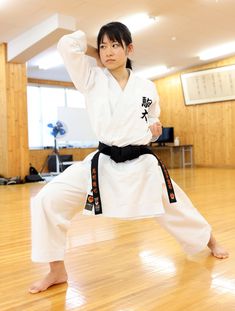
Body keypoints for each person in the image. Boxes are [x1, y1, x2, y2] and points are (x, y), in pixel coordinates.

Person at [29, 22, 228, 294]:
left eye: (115, 45)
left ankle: (211, 240)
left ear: (129, 48)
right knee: (47, 199)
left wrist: (156, 131)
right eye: (103, 46)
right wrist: (93, 49)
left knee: (177, 204)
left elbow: (152, 122)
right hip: (104, 161)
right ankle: (56, 269)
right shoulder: (90, 77)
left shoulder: (147, 86)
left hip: (141, 162)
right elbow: (66, 45)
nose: (108, 52)